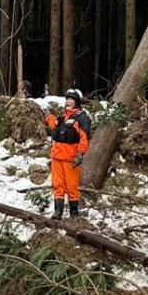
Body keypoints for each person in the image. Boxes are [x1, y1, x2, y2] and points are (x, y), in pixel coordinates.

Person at [45, 88, 91, 218]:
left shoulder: (82, 118)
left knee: (72, 186)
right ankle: (58, 212)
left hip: (71, 159)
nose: (68, 102)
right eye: (67, 99)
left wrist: (81, 153)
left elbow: (84, 138)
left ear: (77, 101)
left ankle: (74, 213)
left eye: (71, 99)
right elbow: (55, 125)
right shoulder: (63, 118)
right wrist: (49, 117)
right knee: (57, 185)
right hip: (56, 157)